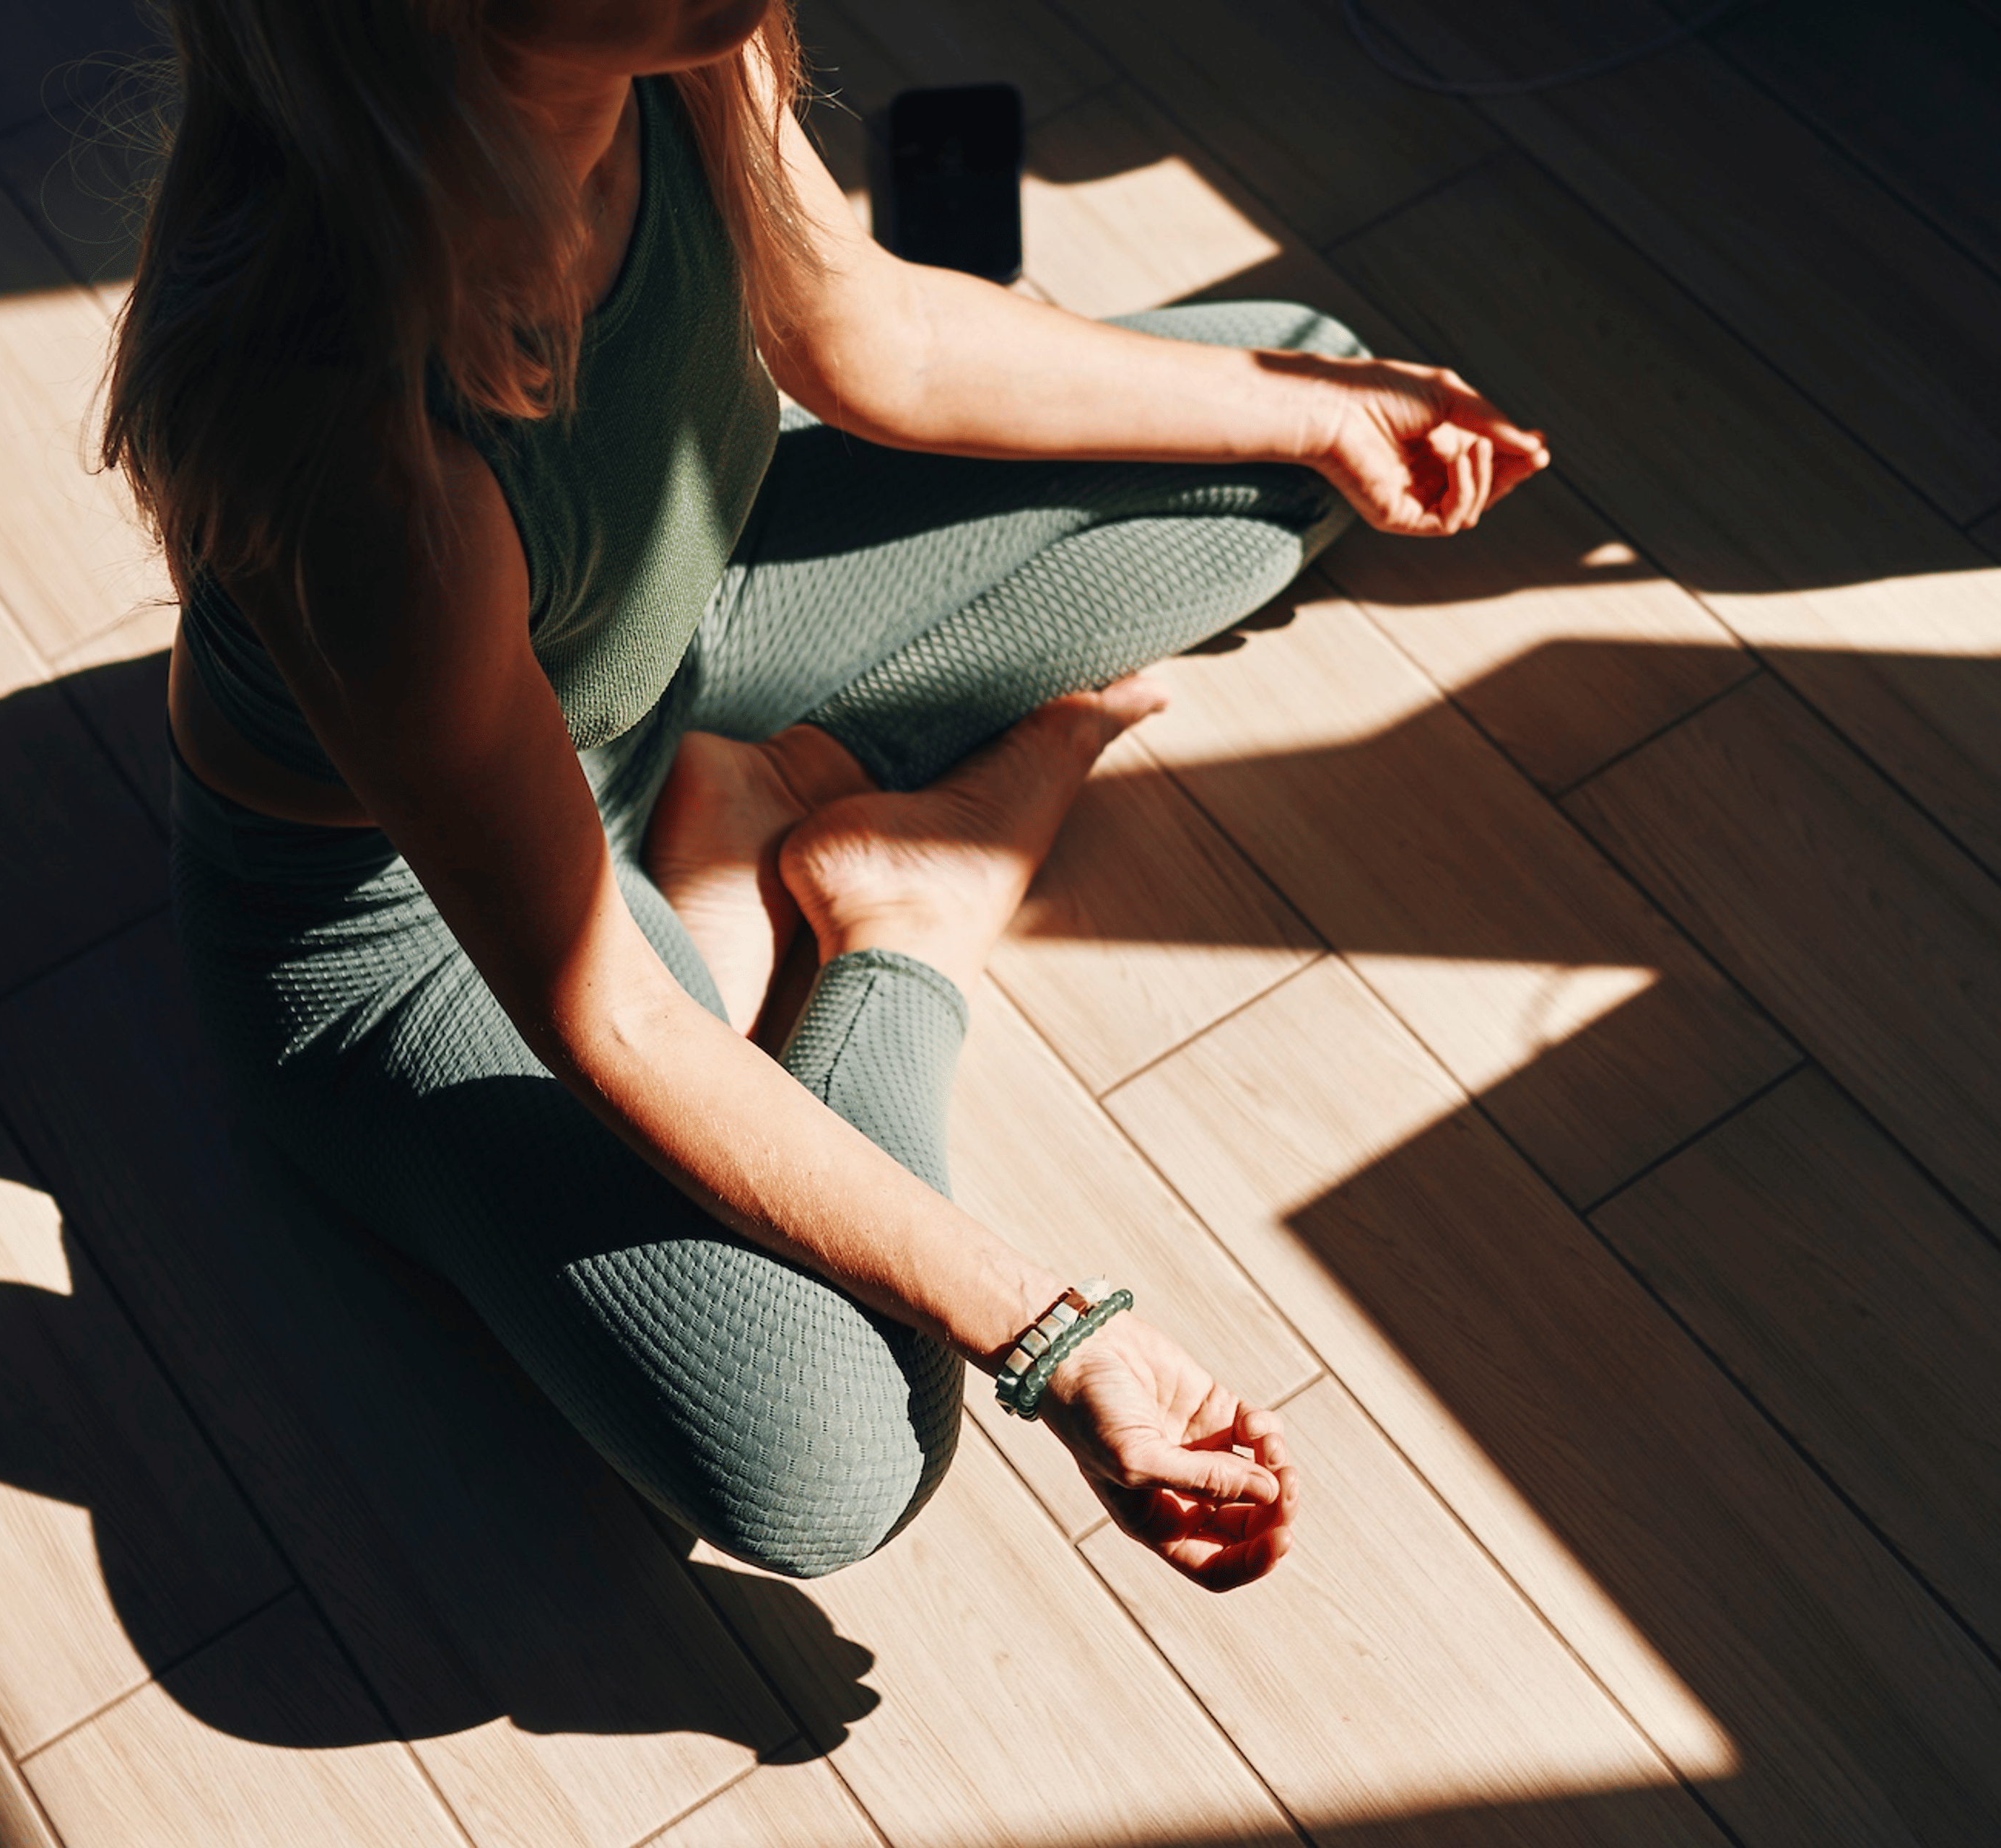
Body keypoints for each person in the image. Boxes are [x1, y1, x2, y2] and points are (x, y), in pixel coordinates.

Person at [105, 0, 1547, 1592]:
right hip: (407, 932)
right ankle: (905, 922)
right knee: (835, 1454)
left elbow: (884, 344)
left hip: (665, 629)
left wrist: (1311, 410)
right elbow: (613, 1023)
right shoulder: (350, 439)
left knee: (1315, 409)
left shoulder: (679, 48)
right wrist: (1055, 1336)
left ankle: (766, 791)